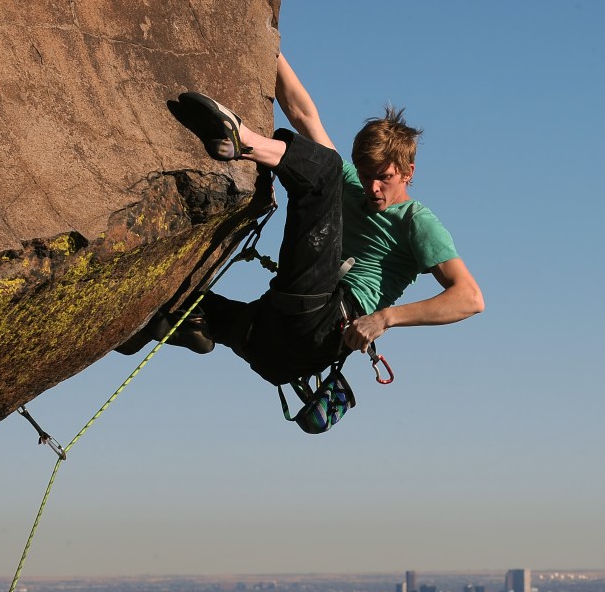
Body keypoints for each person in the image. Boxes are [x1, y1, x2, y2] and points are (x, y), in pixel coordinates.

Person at [154, 53, 484, 389]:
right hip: (271, 344)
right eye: (367, 175)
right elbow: (302, 115)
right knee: (173, 298)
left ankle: (245, 141)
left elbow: (469, 298)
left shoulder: (417, 221)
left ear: (408, 172)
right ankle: (191, 323)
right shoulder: (354, 184)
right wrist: (273, 52)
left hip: (324, 325)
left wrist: (385, 318)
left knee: (325, 167)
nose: (372, 187)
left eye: (383, 177)